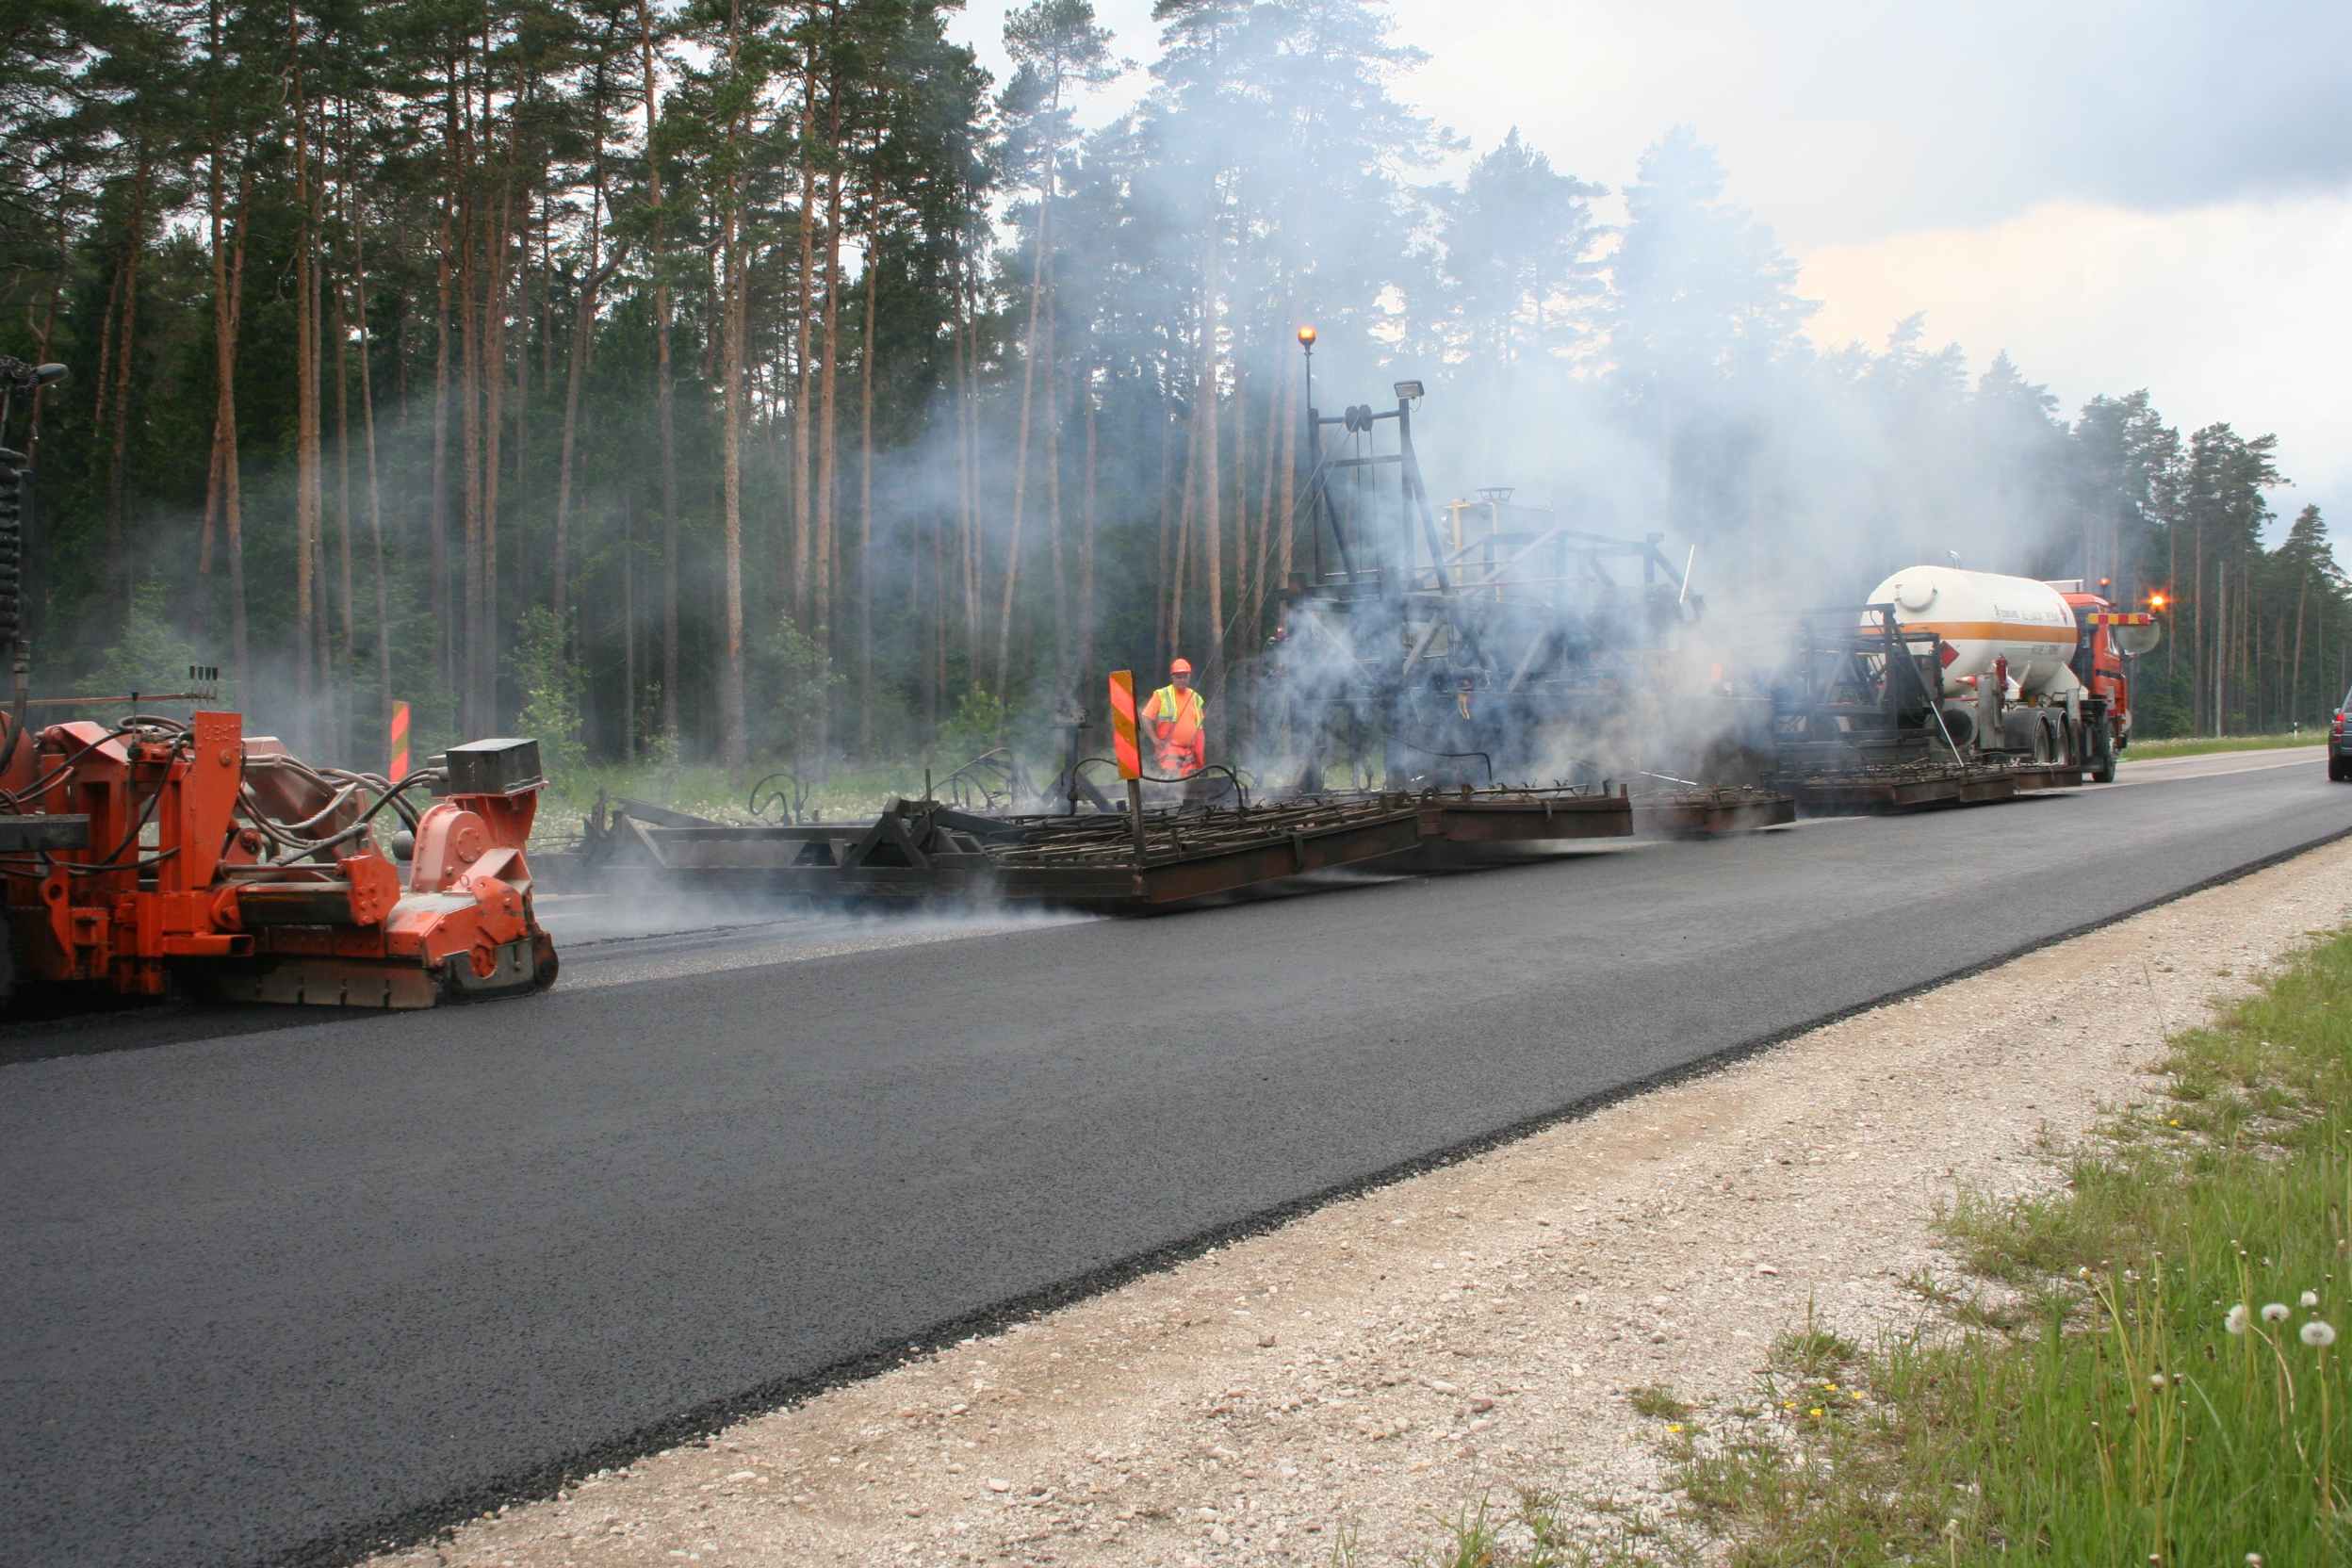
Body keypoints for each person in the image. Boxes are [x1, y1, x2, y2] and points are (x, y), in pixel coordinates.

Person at [1142, 658, 1206, 776]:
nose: (1182, 680)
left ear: (1189, 677)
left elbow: (1199, 730)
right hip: (1169, 751)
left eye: (1185, 676)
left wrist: (1200, 760)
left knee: (1190, 784)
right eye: (1178, 677)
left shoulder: (1196, 698)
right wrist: (1155, 740)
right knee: (1172, 783)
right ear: (1172, 677)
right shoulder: (1162, 694)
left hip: (1189, 754)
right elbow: (1146, 717)